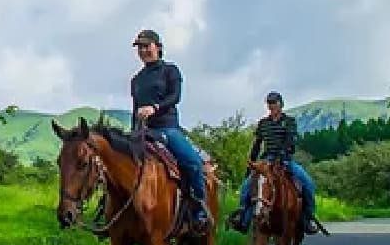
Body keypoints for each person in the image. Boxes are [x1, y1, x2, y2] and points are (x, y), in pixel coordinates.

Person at [129, 29, 209, 231]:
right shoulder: (136, 80)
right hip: (143, 131)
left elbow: (175, 97)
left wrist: (154, 107)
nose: (143, 51)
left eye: (147, 46)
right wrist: (132, 133)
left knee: (192, 162)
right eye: (140, 47)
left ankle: (199, 208)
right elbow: (134, 109)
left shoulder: (170, 71)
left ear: (158, 47)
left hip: (167, 127)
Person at [228, 91, 319, 234]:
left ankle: (308, 218)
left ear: (280, 104)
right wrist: (251, 163)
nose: (271, 106)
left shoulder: (289, 121)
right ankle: (243, 218)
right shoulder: (263, 124)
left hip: (285, 159)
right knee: (247, 185)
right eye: (269, 103)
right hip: (266, 159)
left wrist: (282, 154)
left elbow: (290, 140)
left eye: (274, 103)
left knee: (307, 183)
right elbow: (257, 144)